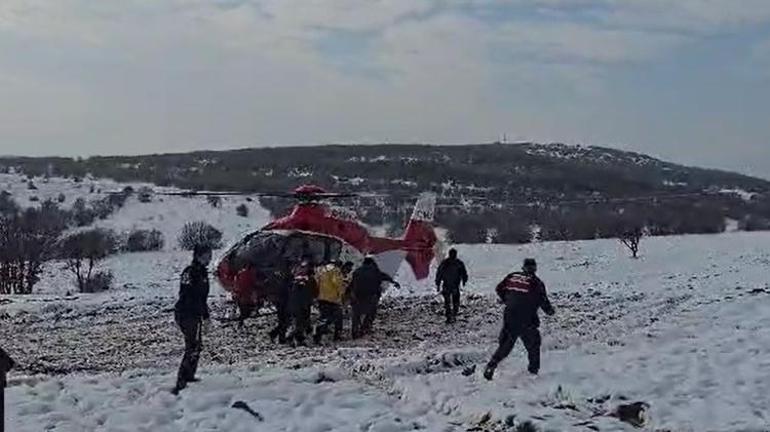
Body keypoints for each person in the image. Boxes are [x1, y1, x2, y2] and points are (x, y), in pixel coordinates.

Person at [484, 258, 555, 381]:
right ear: (535, 268)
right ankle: (533, 372)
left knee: (506, 344)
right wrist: (549, 311)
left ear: (523, 267)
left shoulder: (513, 276)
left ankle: (491, 365)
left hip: (509, 315)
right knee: (533, 344)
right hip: (527, 318)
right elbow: (543, 300)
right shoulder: (536, 282)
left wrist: (507, 300)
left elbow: (499, 288)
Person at [172, 244, 212, 395]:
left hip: (194, 314)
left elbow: (202, 298)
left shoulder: (201, 272)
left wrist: (205, 316)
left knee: (196, 346)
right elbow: (193, 297)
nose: (209, 258)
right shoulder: (192, 272)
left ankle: (189, 376)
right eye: (207, 255)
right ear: (199, 256)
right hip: (187, 314)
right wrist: (203, 316)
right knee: (192, 347)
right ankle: (181, 381)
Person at [349, 257, 400, 339]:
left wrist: (348, 293)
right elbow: (385, 276)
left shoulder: (357, 271)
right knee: (371, 313)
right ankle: (364, 329)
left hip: (358, 296)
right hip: (371, 296)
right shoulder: (375, 271)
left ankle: (354, 331)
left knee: (356, 314)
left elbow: (352, 284)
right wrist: (394, 282)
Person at [313, 261, 346, 344]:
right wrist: (341, 291)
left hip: (321, 298)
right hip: (332, 299)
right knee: (337, 317)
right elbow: (337, 282)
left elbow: (316, 283)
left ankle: (317, 335)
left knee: (324, 317)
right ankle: (336, 336)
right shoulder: (335, 270)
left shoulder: (322, 270)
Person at [287, 256, 318, 346]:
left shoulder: (295, 279)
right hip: (302, 305)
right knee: (301, 322)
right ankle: (293, 337)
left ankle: (296, 338)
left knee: (299, 322)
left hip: (296, 304)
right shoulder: (308, 280)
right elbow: (314, 291)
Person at [435, 248, 469, 324]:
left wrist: (438, 283)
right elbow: (464, 273)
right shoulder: (457, 263)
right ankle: (452, 315)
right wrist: (464, 280)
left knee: (450, 302)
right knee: (453, 301)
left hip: (449, 286)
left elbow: (439, 274)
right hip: (452, 286)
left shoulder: (447, 263)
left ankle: (450, 315)